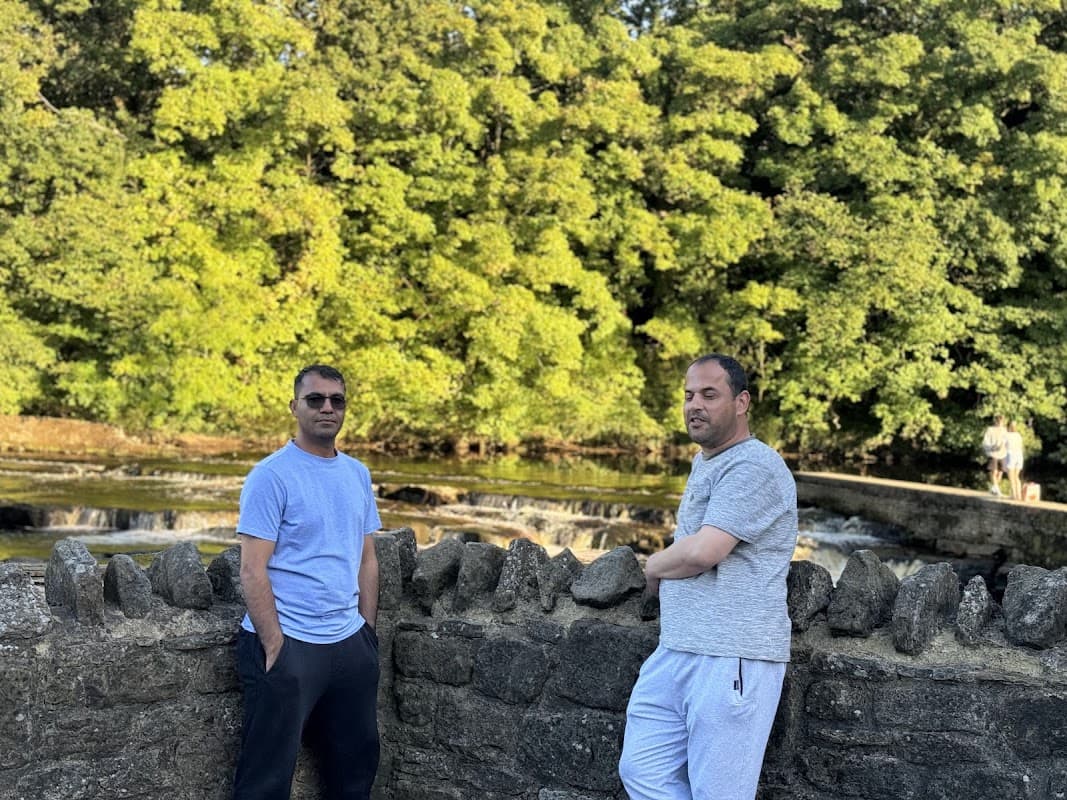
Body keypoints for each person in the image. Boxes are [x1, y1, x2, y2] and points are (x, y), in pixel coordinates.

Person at [618, 354, 797, 800]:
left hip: (731, 656)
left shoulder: (754, 466)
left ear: (741, 402)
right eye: (688, 395)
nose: (694, 405)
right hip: (678, 648)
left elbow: (704, 553)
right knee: (642, 772)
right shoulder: (709, 462)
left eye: (709, 395)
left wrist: (652, 567)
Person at [233, 364, 382, 800]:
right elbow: (251, 569)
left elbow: (366, 558)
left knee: (355, 772)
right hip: (290, 642)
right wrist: (276, 645)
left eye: (337, 400)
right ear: (294, 407)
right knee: (266, 779)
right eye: (315, 399)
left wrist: (366, 633)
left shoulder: (357, 473)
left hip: (349, 645)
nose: (327, 408)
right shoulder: (271, 475)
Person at [981, 415, 1008, 496]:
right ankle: (997, 489)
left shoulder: (1005, 430)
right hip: (993, 453)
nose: (1000, 423)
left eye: (1002, 422)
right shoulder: (990, 429)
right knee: (994, 471)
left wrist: (1004, 445)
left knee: (1000, 472)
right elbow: (986, 441)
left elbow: (1006, 440)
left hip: (1003, 453)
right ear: (995, 421)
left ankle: (994, 488)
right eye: (998, 421)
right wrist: (991, 447)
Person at [1004, 420, 1025, 501]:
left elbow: (1003, 446)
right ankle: (1018, 495)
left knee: (1011, 477)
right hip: (1019, 455)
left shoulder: (1006, 435)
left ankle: (1014, 495)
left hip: (1011, 455)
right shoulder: (1018, 435)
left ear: (1008, 427)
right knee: (1016, 477)